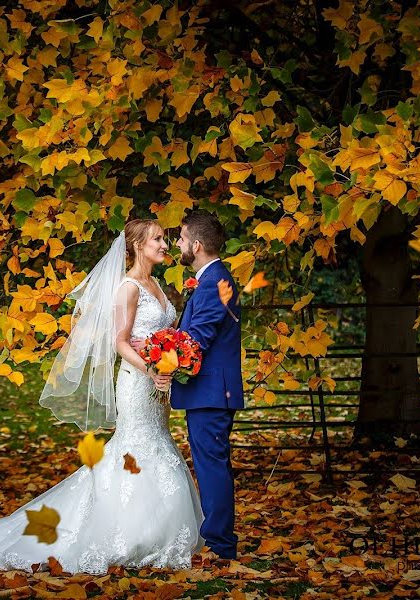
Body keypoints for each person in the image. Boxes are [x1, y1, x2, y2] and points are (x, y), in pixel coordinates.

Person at [0, 219, 205, 574]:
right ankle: (130, 534)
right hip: (138, 382)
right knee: (135, 445)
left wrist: (169, 359)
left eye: (166, 240)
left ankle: (158, 531)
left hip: (156, 385)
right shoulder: (127, 288)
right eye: (157, 239)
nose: (165, 245)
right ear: (138, 245)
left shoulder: (156, 285)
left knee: (156, 442)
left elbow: (158, 335)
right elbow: (120, 341)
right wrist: (150, 368)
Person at [170, 210, 243, 560]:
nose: (178, 244)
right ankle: (218, 538)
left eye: (182, 239)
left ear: (196, 245)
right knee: (212, 463)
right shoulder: (212, 278)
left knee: (211, 466)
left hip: (211, 392)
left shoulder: (215, 282)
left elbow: (195, 339)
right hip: (209, 392)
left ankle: (220, 544)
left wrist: (162, 358)